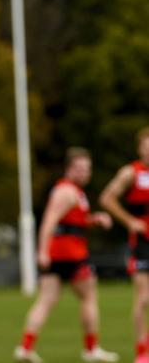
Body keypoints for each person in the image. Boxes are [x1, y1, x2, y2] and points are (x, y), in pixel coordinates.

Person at [14, 147, 119, 363]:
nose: (84, 173)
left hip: (59, 254)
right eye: (79, 168)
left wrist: (93, 220)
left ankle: (25, 347)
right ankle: (91, 349)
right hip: (71, 255)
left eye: (87, 169)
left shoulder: (73, 192)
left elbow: (70, 223)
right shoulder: (68, 192)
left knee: (46, 300)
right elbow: (50, 221)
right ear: (69, 168)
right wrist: (41, 251)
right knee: (89, 298)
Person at [100, 127, 149, 363]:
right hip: (142, 242)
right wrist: (130, 221)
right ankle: (142, 352)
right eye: (147, 146)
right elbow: (106, 198)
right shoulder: (130, 172)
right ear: (140, 148)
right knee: (143, 298)